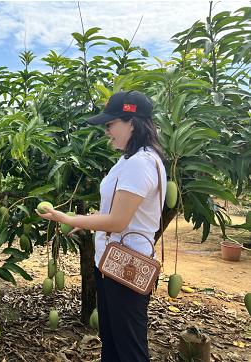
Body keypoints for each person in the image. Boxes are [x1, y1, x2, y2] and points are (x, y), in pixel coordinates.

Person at [37, 90, 166, 362]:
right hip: (113, 264)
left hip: (127, 267)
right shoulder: (130, 160)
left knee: (129, 349)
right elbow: (115, 212)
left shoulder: (140, 163)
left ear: (131, 122)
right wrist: (87, 223)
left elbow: (119, 221)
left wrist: (68, 218)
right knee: (113, 343)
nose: (107, 132)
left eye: (110, 125)